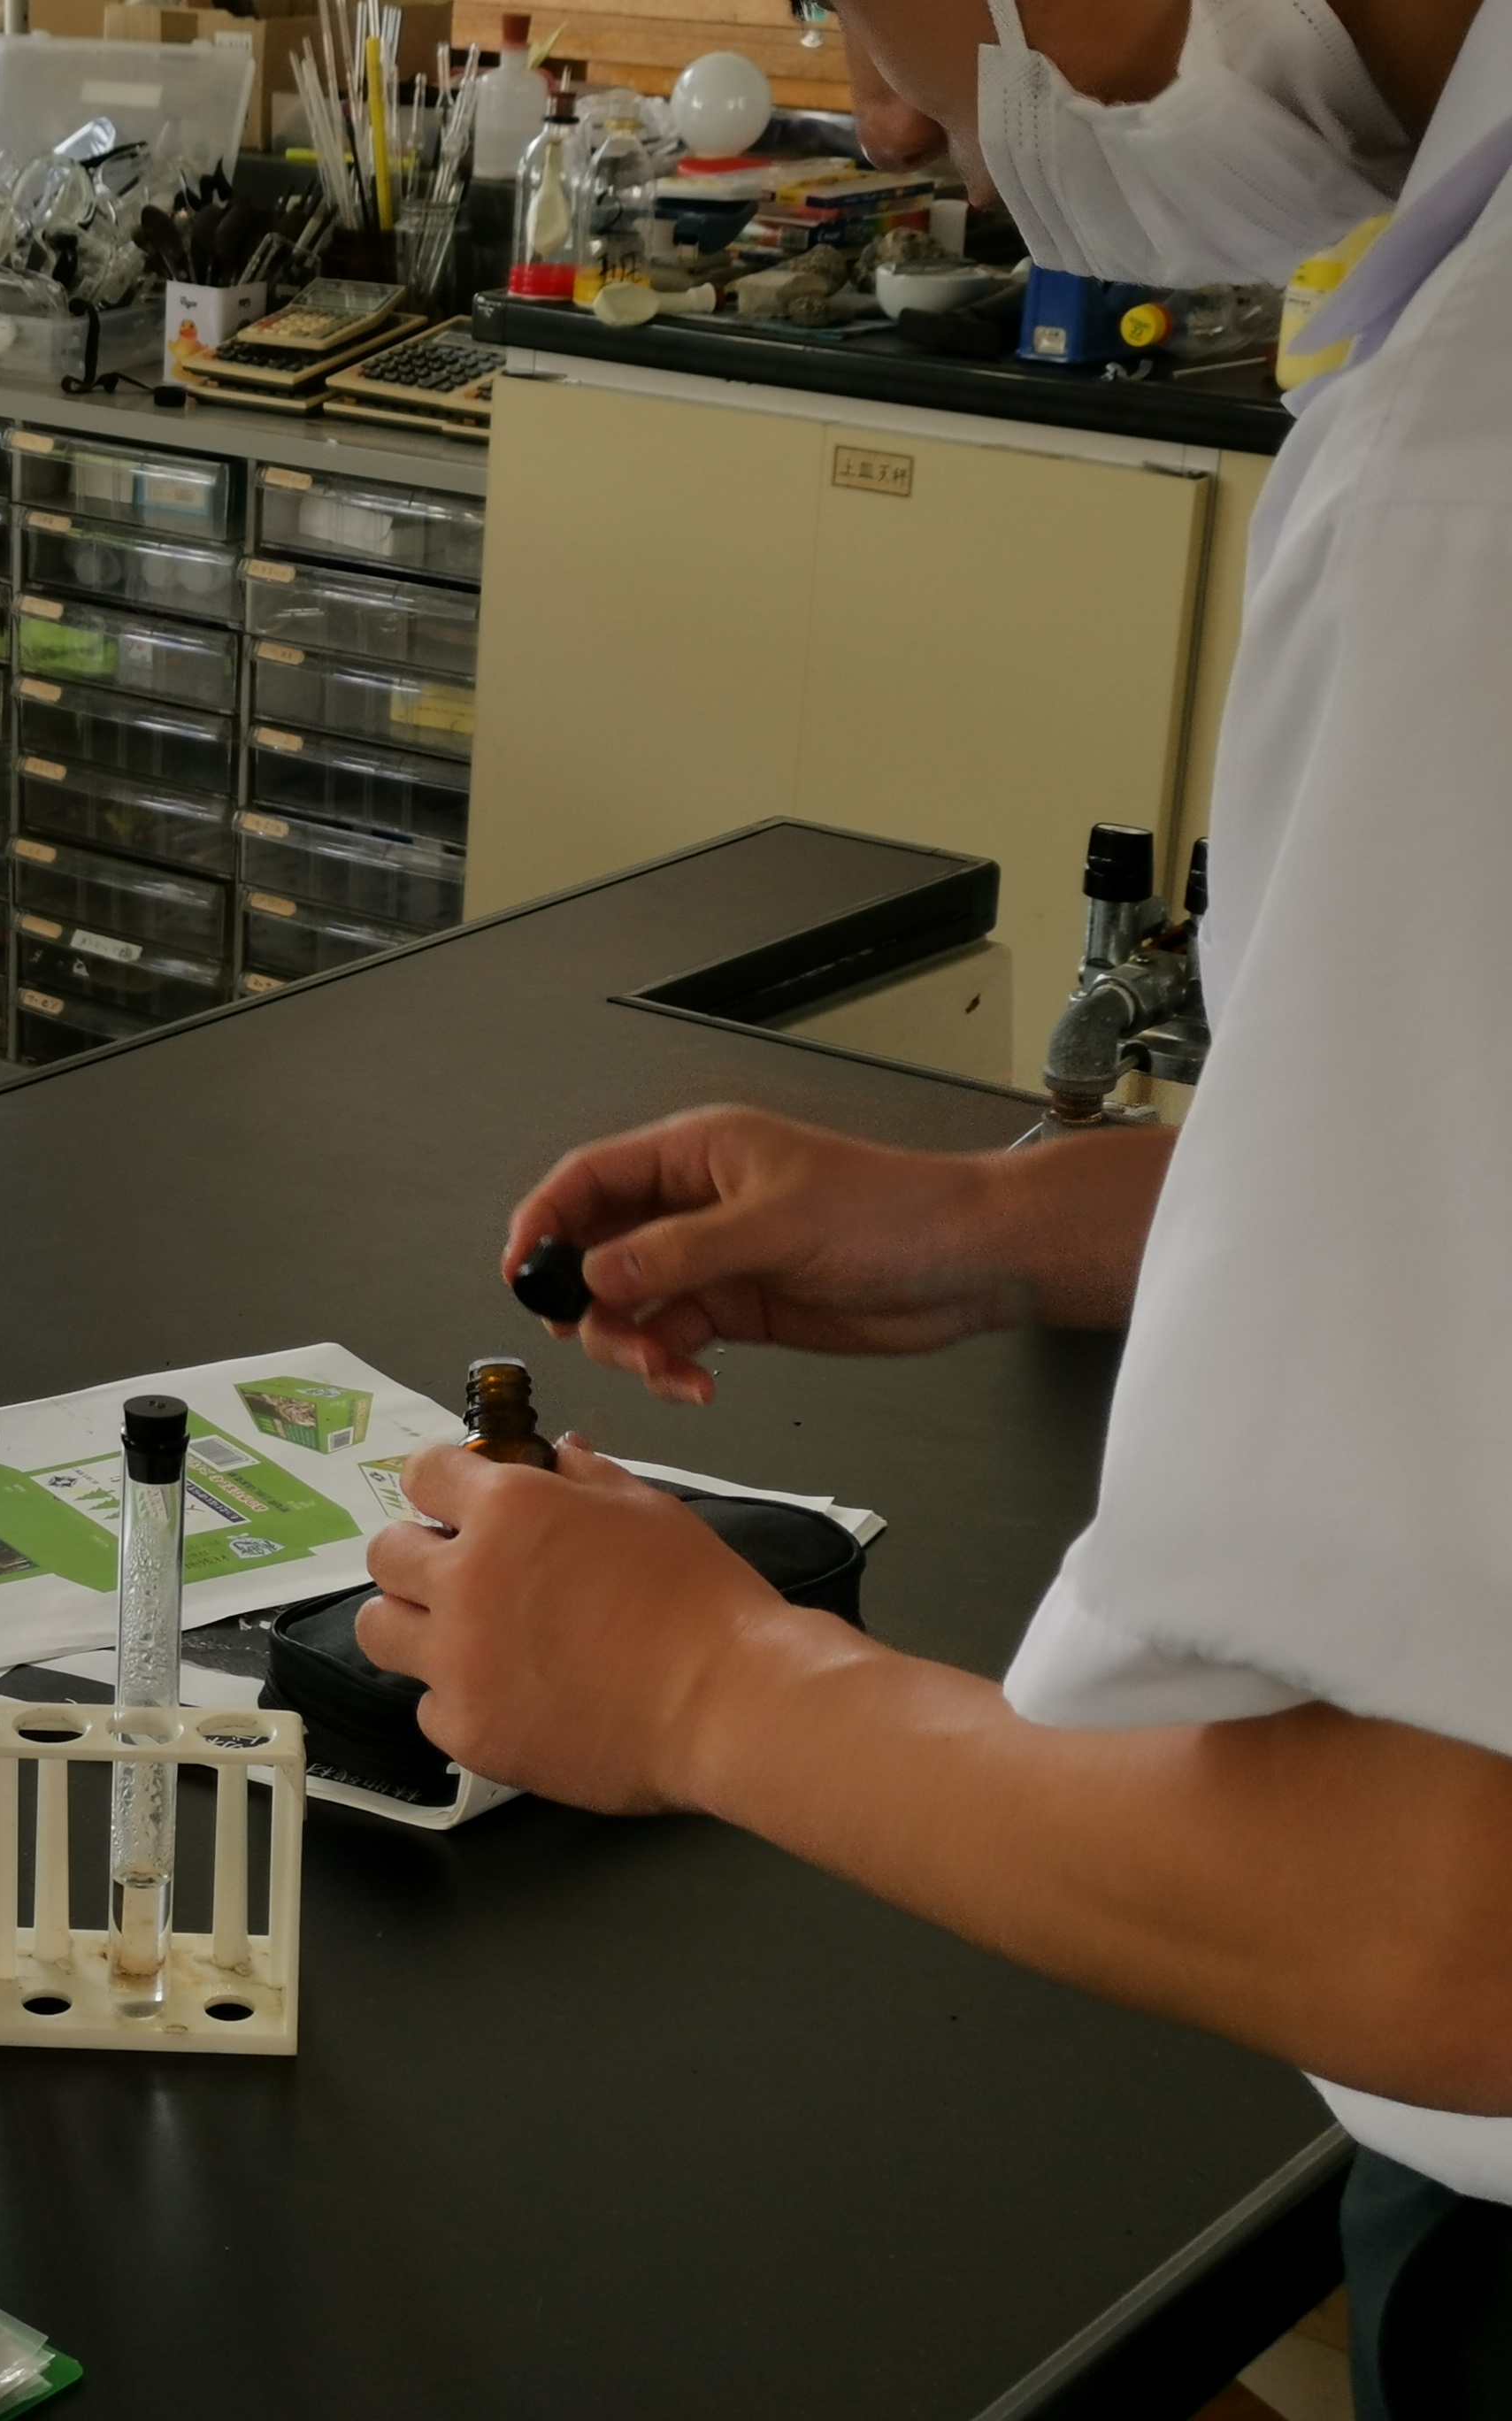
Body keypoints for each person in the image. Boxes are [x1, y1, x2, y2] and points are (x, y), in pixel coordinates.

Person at [357, 0, 1512, 2406]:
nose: (886, 111)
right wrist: (1007, 1226)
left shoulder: (1477, 482)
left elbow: (1457, 1922)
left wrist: (705, 1685)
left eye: (860, 1)